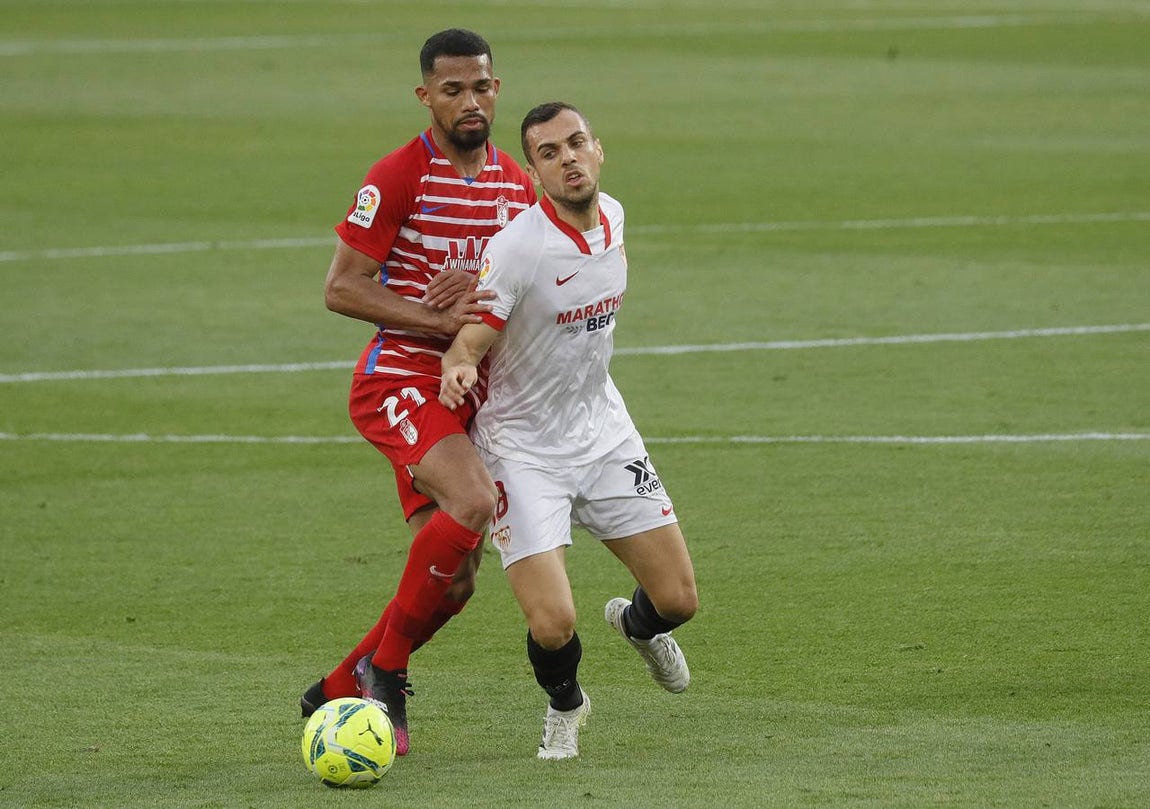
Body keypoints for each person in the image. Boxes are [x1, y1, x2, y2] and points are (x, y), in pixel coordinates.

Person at [300, 28, 537, 757]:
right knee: (473, 501)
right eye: (453, 89)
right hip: (398, 378)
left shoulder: (515, 185)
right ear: (425, 95)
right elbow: (342, 287)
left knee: (455, 582)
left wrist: (489, 286)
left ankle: (338, 683)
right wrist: (438, 319)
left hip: (466, 391)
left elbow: (524, 286)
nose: (470, 102)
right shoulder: (399, 174)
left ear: (497, 89)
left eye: (481, 87)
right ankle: (388, 671)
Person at [440, 101, 698, 760]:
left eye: (576, 143)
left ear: (598, 149)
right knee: (553, 622)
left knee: (677, 600)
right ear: (533, 173)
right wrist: (459, 367)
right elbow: (468, 341)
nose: (569, 159)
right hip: (522, 448)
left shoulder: (615, 216)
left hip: (604, 433)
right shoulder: (519, 248)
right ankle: (565, 705)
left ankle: (637, 626)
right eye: (550, 153)